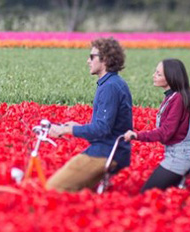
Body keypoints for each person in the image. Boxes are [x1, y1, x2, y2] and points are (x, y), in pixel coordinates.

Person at [45, 37, 133, 192]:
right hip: (108, 149)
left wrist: (66, 130)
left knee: (54, 187)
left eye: (92, 57)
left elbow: (102, 129)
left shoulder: (110, 87)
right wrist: (76, 126)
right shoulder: (112, 83)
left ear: (105, 59)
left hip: (106, 152)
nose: (88, 61)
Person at [123, 59, 190, 193]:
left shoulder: (178, 99)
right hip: (175, 154)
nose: (153, 75)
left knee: (147, 194)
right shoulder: (172, 97)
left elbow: (166, 132)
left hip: (180, 157)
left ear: (170, 78)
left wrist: (137, 135)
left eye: (158, 74)